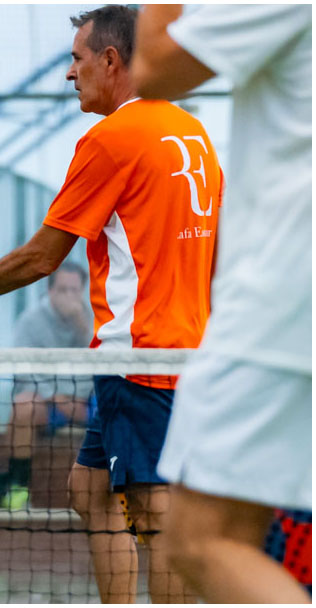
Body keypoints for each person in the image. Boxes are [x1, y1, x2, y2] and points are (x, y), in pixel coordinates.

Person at [0, 5, 222, 602]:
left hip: (138, 360)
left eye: (76, 59)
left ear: (110, 60)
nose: (70, 73)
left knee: (155, 516)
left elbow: (42, 257)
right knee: (89, 491)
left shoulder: (111, 139)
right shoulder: (191, 132)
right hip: (185, 353)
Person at [131, 4, 312, 603]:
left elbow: (153, 65)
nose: (70, 73)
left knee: (199, 541)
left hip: (284, 301)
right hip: (280, 304)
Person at [4, 261, 93, 510]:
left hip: (84, 401)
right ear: (50, 291)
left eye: (74, 290)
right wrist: (57, 398)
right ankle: (18, 488)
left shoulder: (93, 317)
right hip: (48, 403)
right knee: (23, 408)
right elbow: (24, 371)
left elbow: (103, 364)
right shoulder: (30, 322)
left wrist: (81, 326)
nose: (69, 296)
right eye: (63, 290)